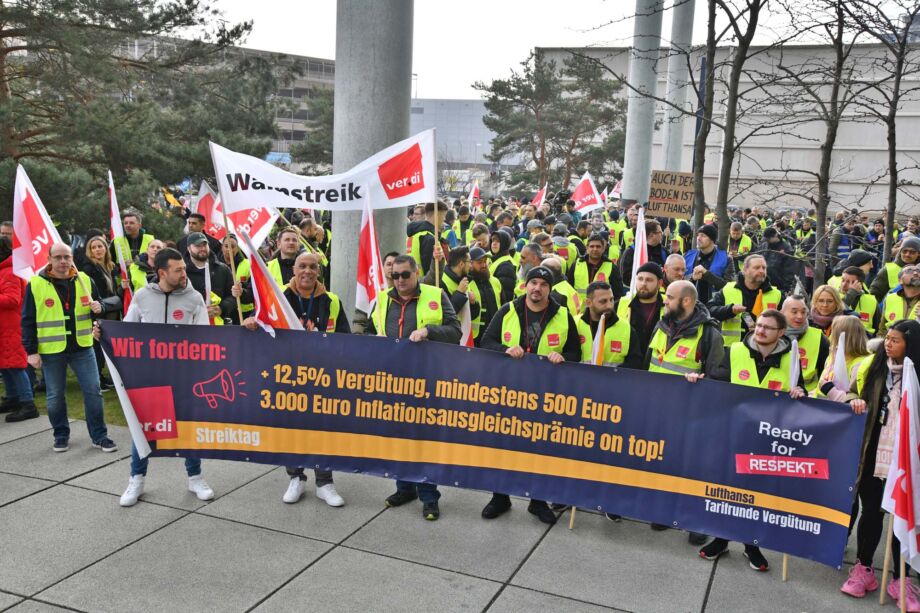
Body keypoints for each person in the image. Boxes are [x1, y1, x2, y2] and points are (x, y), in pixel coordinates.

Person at [690, 309, 806, 571]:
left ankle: (751, 545)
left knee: (756, 496)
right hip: (734, 435)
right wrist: (698, 381)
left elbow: (802, 394)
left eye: (768, 328)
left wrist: (800, 392)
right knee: (728, 490)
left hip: (768, 441)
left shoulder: (792, 359)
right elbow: (715, 383)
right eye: (759, 326)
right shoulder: (736, 352)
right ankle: (721, 539)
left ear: (781, 333)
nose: (760, 330)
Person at [241, 252, 348, 508]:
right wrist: (251, 323)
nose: (308, 271)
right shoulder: (277, 298)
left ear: (319, 272)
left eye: (313, 267)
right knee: (290, 429)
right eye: (302, 266)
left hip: (321, 377)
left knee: (323, 430)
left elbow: (345, 338)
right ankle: (296, 477)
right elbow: (262, 326)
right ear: (294, 270)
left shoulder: (331, 300)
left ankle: (324, 482)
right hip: (286, 377)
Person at [112, 248, 214, 506]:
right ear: (161, 273)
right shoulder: (142, 296)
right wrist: (104, 334)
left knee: (188, 428)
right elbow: (126, 330)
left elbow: (205, 337)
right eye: (178, 269)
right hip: (149, 376)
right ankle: (136, 479)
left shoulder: (194, 298)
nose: (184, 273)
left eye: (183, 268)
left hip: (185, 376)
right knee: (143, 429)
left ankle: (195, 477)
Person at [480, 266, 581, 524]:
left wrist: (562, 357)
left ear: (550, 289)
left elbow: (575, 354)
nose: (537, 288)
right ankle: (500, 497)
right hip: (509, 391)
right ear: (525, 285)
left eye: (543, 284)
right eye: (533, 282)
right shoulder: (508, 310)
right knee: (503, 446)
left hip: (544, 394)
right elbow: (486, 341)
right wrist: (504, 349)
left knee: (539, 448)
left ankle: (537, 501)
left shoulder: (563, 315)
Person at [368, 255, 461, 521]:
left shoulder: (436, 294)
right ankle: (404, 486)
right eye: (394, 276)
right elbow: (372, 328)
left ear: (416, 272)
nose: (399, 281)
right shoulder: (384, 298)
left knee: (423, 439)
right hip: (394, 380)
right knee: (399, 437)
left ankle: (429, 496)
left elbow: (455, 331)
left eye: (405, 275)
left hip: (427, 380)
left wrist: (429, 331)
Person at [840, 320, 920, 608]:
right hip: (873, 455)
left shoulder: (916, 376)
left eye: (895, 340)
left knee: (902, 518)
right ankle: (863, 569)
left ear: (911, 345)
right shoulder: (873, 367)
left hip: (907, 461)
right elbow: (849, 391)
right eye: (887, 338)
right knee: (871, 513)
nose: (888, 344)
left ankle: (902, 578)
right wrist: (854, 401)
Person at [645, 280, 723, 542]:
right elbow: (650, 364)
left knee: (694, 468)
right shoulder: (663, 324)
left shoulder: (709, 334)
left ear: (686, 301)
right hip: (660, 410)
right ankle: (665, 511)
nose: (664, 300)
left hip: (693, 415)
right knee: (666, 462)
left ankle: (695, 521)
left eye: (669, 297)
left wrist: (700, 386)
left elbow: (717, 379)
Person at [20, 243, 115, 450]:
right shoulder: (35, 284)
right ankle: (60, 435)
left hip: (83, 347)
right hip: (52, 350)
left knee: (93, 391)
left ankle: (99, 435)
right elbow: (27, 320)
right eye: (58, 257)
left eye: (67, 257)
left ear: (72, 258)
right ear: (50, 259)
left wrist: (100, 306)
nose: (63, 261)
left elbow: (97, 306)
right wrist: (31, 351)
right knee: (54, 397)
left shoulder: (85, 280)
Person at [708, 255, 783, 347]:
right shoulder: (728, 289)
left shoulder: (776, 294)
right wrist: (730, 310)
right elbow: (710, 310)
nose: (761, 271)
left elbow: (785, 322)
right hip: (732, 348)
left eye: (764, 268)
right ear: (745, 270)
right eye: (756, 267)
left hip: (764, 349)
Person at [0, 237, 36, 421]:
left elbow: (12, 299)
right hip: (5, 327)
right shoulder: (5, 270)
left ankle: (28, 403)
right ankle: (13, 398)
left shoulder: (9, 272)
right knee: (6, 365)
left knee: (15, 365)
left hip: (11, 327)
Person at [81, 235, 124, 389]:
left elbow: (113, 291)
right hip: (98, 311)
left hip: (110, 310)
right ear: (89, 251)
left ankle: (104, 375)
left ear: (106, 248)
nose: (97, 250)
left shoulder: (110, 266)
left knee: (107, 346)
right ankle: (96, 377)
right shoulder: (88, 269)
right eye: (93, 247)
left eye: (100, 246)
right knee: (97, 347)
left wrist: (122, 288)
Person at [575, 281, 642, 367]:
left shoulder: (626, 328)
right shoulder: (575, 324)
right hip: (579, 379)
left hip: (613, 379)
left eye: (611, 300)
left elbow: (635, 362)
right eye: (603, 301)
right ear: (588, 303)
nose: (609, 306)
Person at [813, 315, 870, 401]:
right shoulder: (831, 357)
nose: (830, 337)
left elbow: (854, 402)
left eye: (833, 333)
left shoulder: (860, 364)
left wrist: (829, 390)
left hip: (836, 412)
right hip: (819, 409)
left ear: (844, 338)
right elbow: (819, 389)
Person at [183, 232, 235, 325]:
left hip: (217, 326)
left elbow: (233, 296)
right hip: (189, 326)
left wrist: (221, 308)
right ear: (189, 249)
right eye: (197, 246)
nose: (202, 248)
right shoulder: (182, 271)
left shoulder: (223, 269)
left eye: (204, 245)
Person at [617, 262, 667, 356]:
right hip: (627, 363)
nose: (643, 283)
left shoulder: (669, 304)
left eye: (649, 280)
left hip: (655, 363)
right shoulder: (621, 303)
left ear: (659, 283)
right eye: (640, 279)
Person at [683, 225, 734, 304]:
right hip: (691, 306)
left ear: (712, 240)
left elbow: (729, 286)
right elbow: (679, 282)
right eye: (698, 235)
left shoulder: (726, 259)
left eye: (703, 236)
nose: (698, 238)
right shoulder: (687, 256)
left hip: (714, 307)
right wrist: (692, 278)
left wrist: (706, 274)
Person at [568, 233, 624, 302]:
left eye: (598, 246)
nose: (595, 249)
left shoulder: (611, 267)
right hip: (579, 311)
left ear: (603, 248)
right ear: (587, 248)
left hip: (602, 310)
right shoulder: (577, 264)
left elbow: (618, 294)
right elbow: (569, 289)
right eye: (592, 246)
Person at [467, 246, 501, 345]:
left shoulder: (495, 281)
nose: (484, 265)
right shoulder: (466, 284)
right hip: (475, 337)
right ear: (470, 264)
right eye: (479, 262)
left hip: (495, 333)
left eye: (485, 261)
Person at [870, 237, 920, 302]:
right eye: (904, 251)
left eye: (912, 252)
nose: (907, 254)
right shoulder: (888, 269)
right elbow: (875, 294)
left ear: (919, 254)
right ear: (900, 251)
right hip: (893, 311)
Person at [406, 201, 447, 276]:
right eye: (443, 215)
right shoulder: (430, 238)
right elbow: (430, 272)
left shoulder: (415, 233)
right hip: (425, 285)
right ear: (436, 215)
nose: (444, 219)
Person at [880, 265, 920, 337]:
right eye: (909, 271)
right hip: (892, 345)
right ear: (900, 280)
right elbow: (882, 329)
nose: (915, 273)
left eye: (918, 271)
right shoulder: (890, 298)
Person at [838, 267, 880, 336]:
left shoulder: (871, 300)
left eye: (848, 282)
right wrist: (852, 293)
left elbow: (877, 327)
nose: (844, 285)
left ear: (859, 284)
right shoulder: (834, 296)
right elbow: (837, 312)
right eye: (843, 280)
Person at [489, 230, 517, 303]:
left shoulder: (506, 265)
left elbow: (506, 295)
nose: (494, 243)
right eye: (492, 240)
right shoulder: (495, 259)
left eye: (498, 241)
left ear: (504, 243)